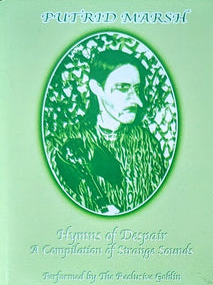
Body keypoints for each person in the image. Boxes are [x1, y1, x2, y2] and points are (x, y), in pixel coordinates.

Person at [52, 49, 167, 215]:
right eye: (123, 88)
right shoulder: (62, 142)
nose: (137, 101)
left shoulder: (147, 144)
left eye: (136, 89)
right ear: (96, 88)